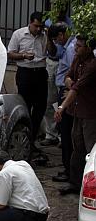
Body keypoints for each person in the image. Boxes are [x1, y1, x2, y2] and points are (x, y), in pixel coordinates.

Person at [54, 36, 96, 195]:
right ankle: (75, 183)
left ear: (88, 48)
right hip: (77, 110)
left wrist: (62, 107)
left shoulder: (92, 65)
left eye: (79, 46)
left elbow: (77, 87)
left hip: (90, 113)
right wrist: (70, 83)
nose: (76, 49)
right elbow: (68, 77)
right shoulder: (77, 59)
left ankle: (89, 186)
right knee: (76, 147)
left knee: (90, 151)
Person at [7, 12, 49, 150]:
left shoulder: (44, 35)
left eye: (40, 27)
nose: (38, 29)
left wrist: (49, 39)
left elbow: (53, 53)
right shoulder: (19, 34)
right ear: (30, 23)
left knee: (40, 107)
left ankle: (32, 138)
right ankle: (25, 138)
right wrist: (23, 55)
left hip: (40, 72)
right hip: (25, 73)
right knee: (26, 105)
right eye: (36, 26)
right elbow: (10, 53)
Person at [47, 23, 76, 183]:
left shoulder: (71, 48)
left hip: (67, 93)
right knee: (65, 132)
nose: (56, 43)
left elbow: (74, 75)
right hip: (65, 91)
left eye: (55, 39)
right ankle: (68, 168)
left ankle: (69, 170)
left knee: (66, 133)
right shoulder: (69, 47)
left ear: (61, 35)